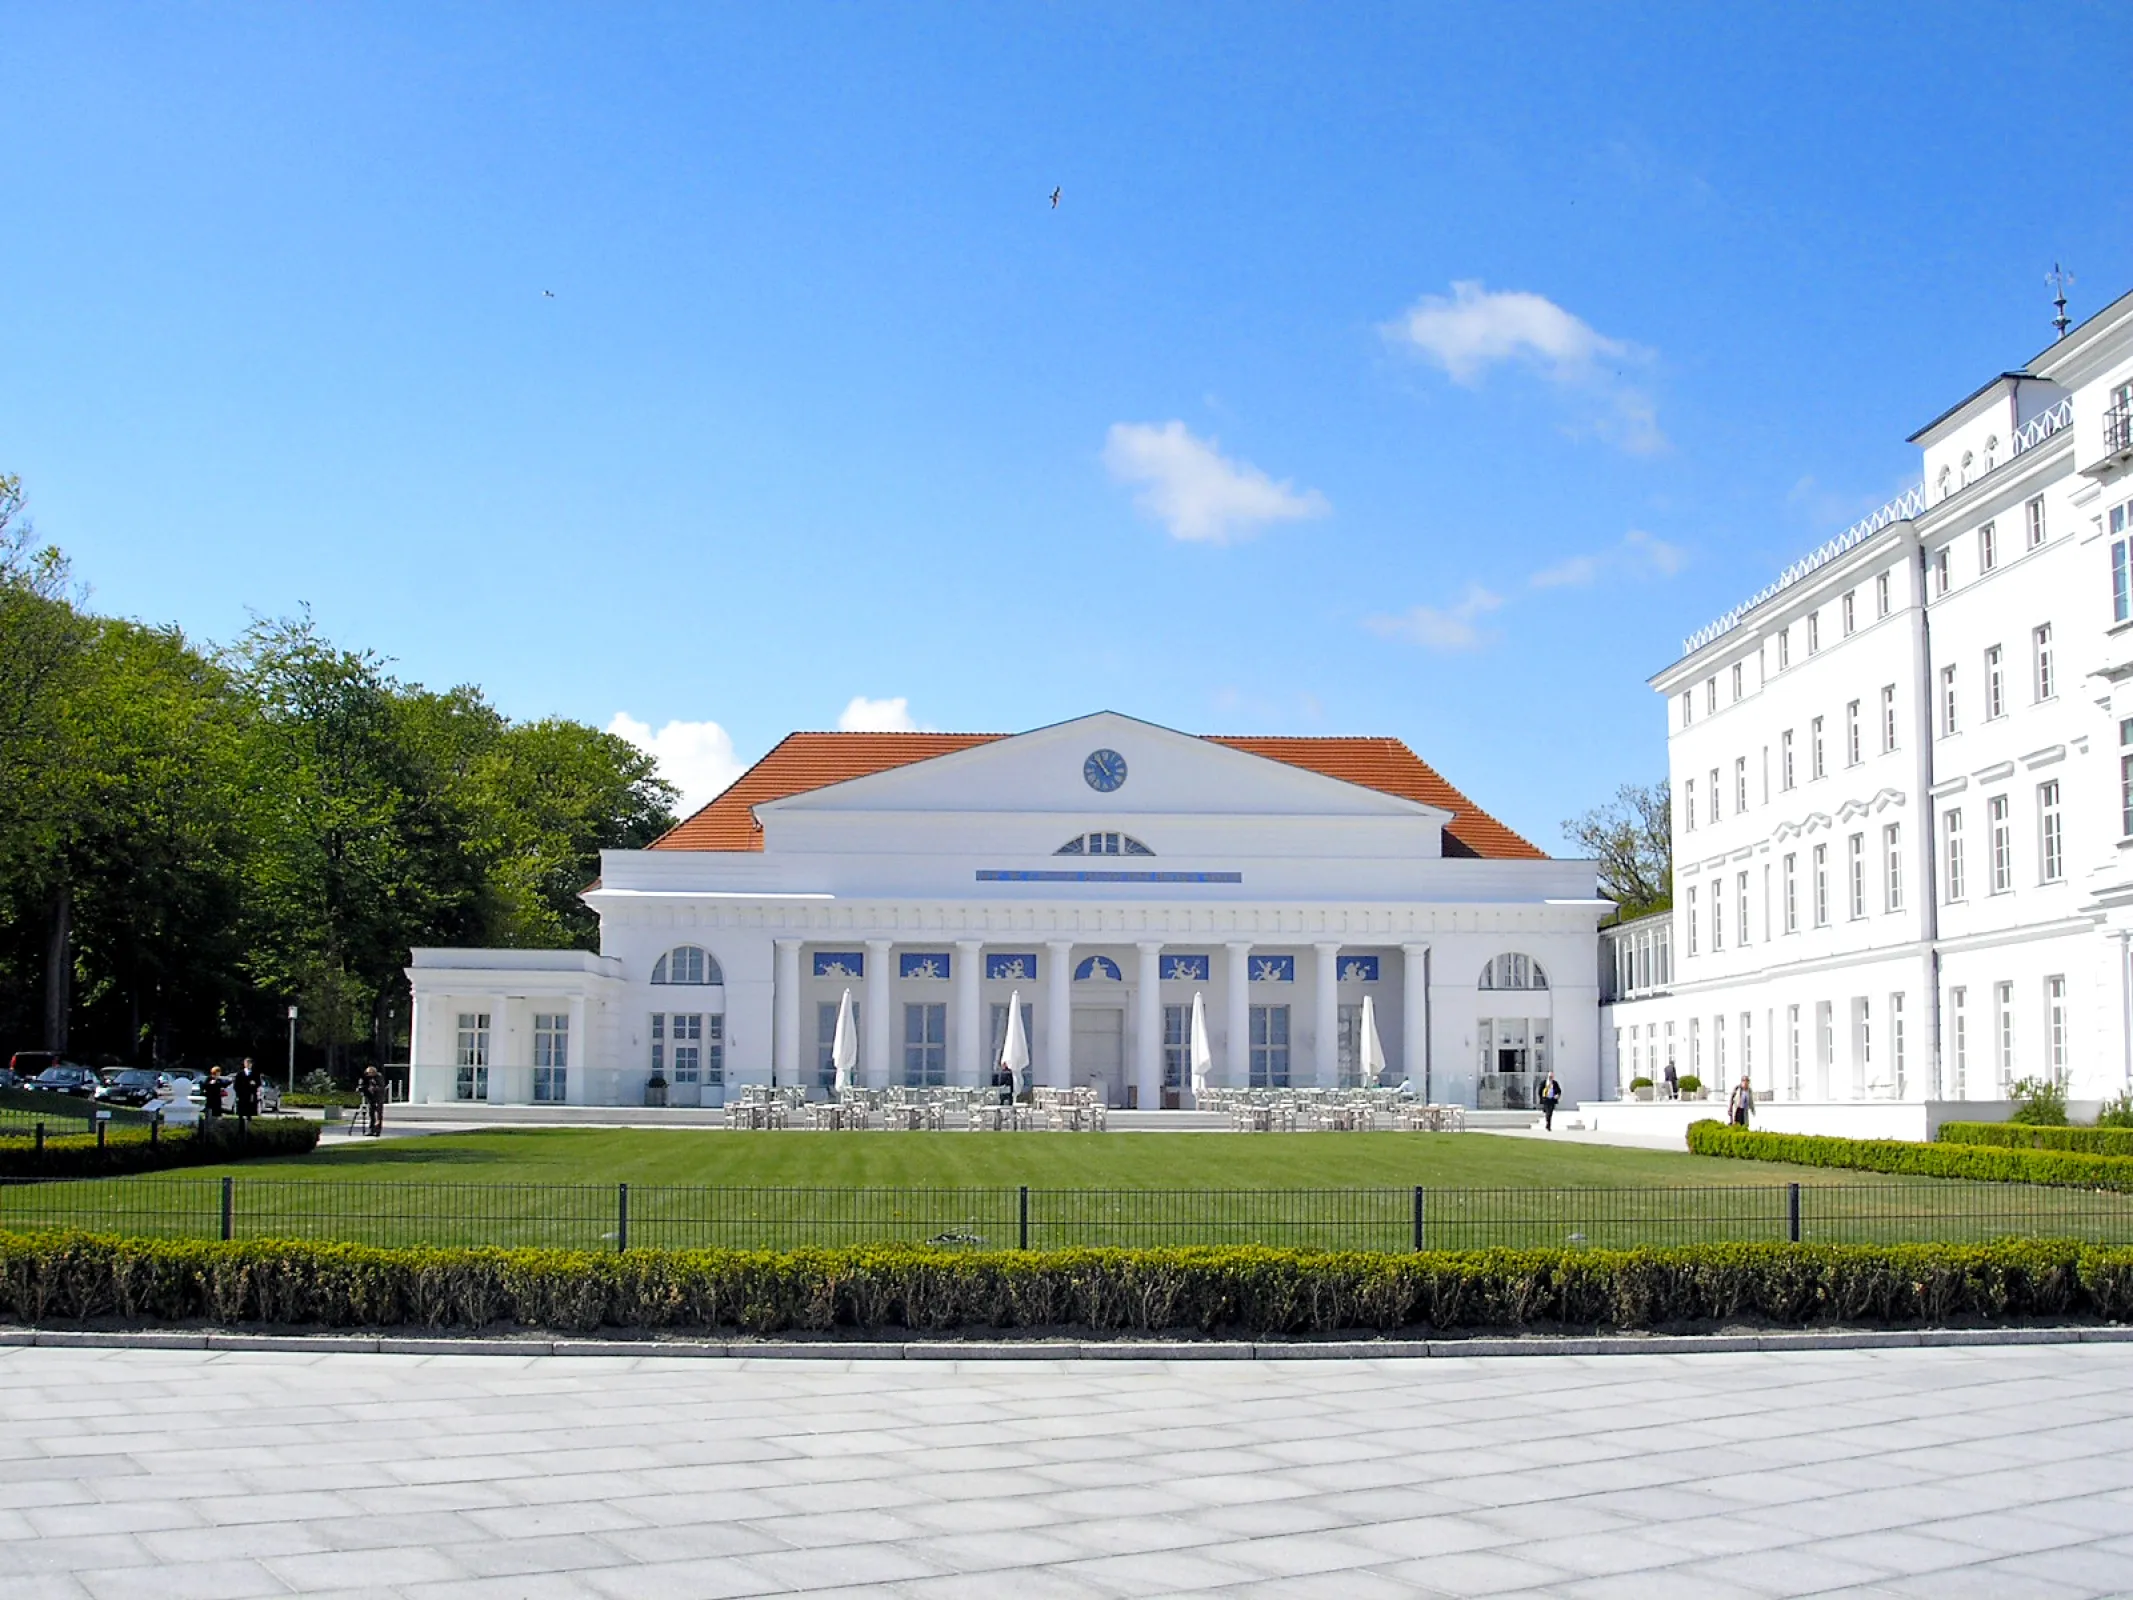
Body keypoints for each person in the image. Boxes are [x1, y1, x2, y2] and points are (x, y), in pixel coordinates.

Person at [359, 1064, 386, 1137]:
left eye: (369, 1073)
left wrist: (373, 1088)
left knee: (378, 1115)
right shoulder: (368, 1078)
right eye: (367, 1073)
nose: (368, 1074)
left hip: (378, 1099)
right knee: (371, 1114)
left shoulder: (379, 1077)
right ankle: (371, 1130)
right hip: (371, 1098)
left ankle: (377, 1130)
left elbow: (381, 1087)